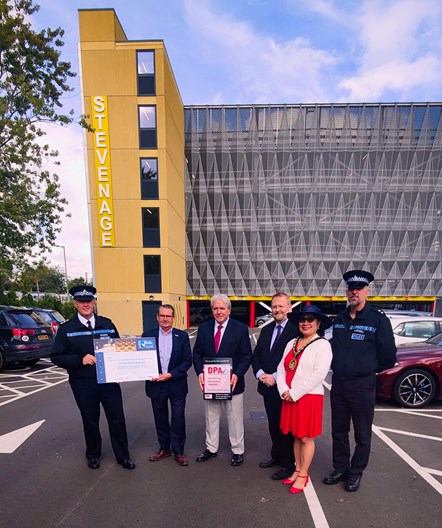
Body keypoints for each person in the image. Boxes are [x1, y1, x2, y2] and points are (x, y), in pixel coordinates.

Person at [323, 270, 397, 492]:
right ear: (347, 292)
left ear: (367, 291)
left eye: (359, 288)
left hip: (363, 384)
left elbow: (388, 356)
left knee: (362, 433)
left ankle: (355, 473)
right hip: (339, 383)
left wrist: (368, 369)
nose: (354, 292)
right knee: (339, 430)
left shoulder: (378, 319)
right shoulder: (340, 317)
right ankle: (340, 468)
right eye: (351, 289)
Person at [51, 285, 135, 470]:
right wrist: (79, 360)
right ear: (75, 304)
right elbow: (56, 356)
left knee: (117, 418)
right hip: (83, 383)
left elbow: (120, 349)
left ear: (94, 302)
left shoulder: (107, 324)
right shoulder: (67, 329)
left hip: (109, 381)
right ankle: (93, 454)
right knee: (90, 419)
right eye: (81, 302)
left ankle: (123, 456)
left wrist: (121, 370)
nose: (85, 304)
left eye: (89, 301)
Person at [276, 305, 333, 494]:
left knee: (306, 437)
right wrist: (284, 389)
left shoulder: (322, 344)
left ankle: (303, 475)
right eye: (303, 319)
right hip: (289, 396)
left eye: (310, 319)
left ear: (318, 324)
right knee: (296, 435)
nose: (306, 323)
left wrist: (294, 392)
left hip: (308, 397)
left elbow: (319, 374)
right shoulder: (292, 342)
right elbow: (281, 368)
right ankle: (297, 469)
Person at [193, 294, 252, 466]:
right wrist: (199, 372)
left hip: (233, 383)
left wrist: (237, 374)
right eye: (215, 308)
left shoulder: (240, 328)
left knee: (234, 418)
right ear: (212, 310)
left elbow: (246, 355)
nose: (218, 312)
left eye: (222, 308)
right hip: (211, 383)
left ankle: (238, 450)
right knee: (211, 417)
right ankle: (211, 448)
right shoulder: (203, 328)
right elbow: (197, 353)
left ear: (229, 310)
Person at [252, 292, 298, 480]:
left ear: (289, 307)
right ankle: (276, 456)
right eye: (274, 306)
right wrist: (260, 374)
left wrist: (276, 377)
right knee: (273, 424)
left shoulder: (296, 331)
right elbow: (257, 356)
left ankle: (288, 464)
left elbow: (297, 361)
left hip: (285, 388)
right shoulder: (266, 329)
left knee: (285, 428)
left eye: (281, 306)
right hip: (267, 387)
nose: (277, 310)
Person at [142, 304, 192, 466]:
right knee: (160, 418)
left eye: (168, 316)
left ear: (173, 318)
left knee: (178, 418)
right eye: (162, 315)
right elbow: (141, 361)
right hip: (156, 385)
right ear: (157, 317)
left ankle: (178, 451)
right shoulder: (147, 336)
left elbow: (187, 361)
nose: (165, 319)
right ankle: (164, 448)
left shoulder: (182, 336)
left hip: (176, 383)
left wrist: (171, 374)